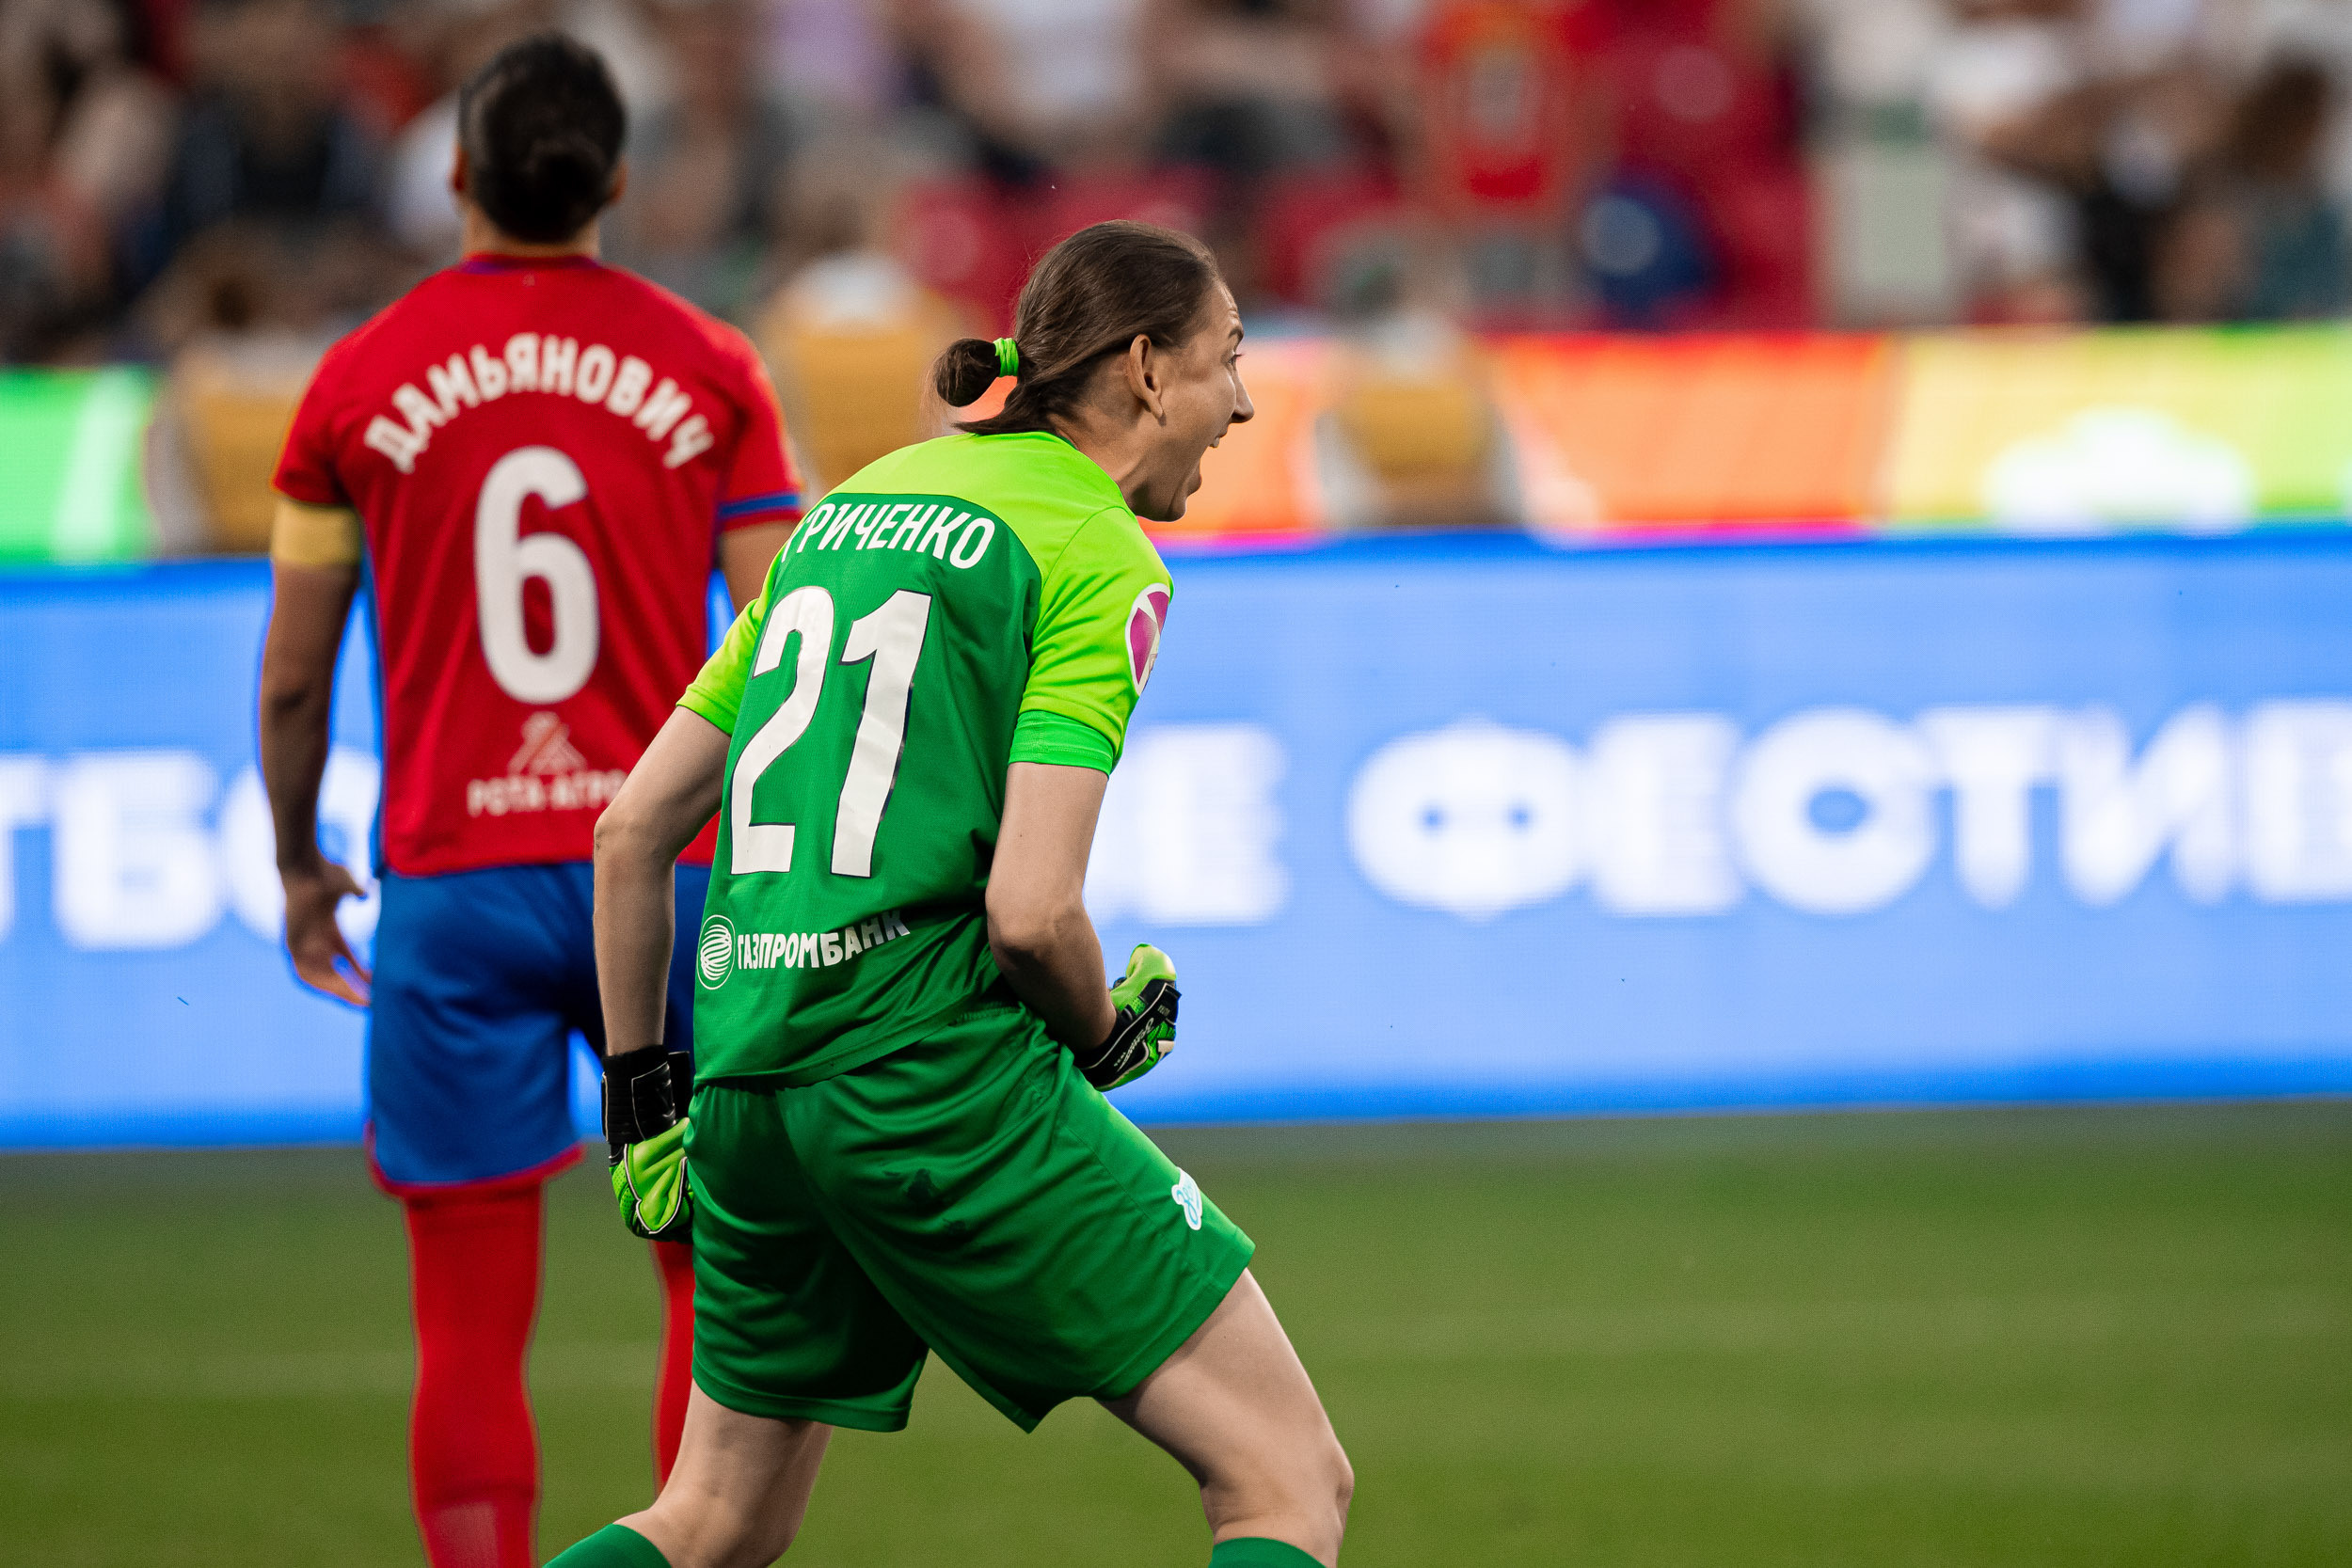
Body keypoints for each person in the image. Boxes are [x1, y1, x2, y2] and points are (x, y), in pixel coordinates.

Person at [550, 220, 1354, 1568]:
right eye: (1228, 360)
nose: (1243, 402)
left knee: (712, 1520)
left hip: (749, 1090)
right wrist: (1103, 1030)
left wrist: (643, 1101)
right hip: (929, 1083)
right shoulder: (1095, 551)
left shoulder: (851, 510)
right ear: (1145, 369)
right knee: (1286, 1480)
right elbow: (1031, 914)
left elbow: (631, 831)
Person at [255, 33, 802, 1568]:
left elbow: (294, 678)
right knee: (710, 1280)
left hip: (458, 887)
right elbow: (789, 640)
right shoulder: (709, 366)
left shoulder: (358, 380)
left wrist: (300, 865)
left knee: (469, 1325)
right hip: (679, 877)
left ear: (455, 176)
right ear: (616, 181)